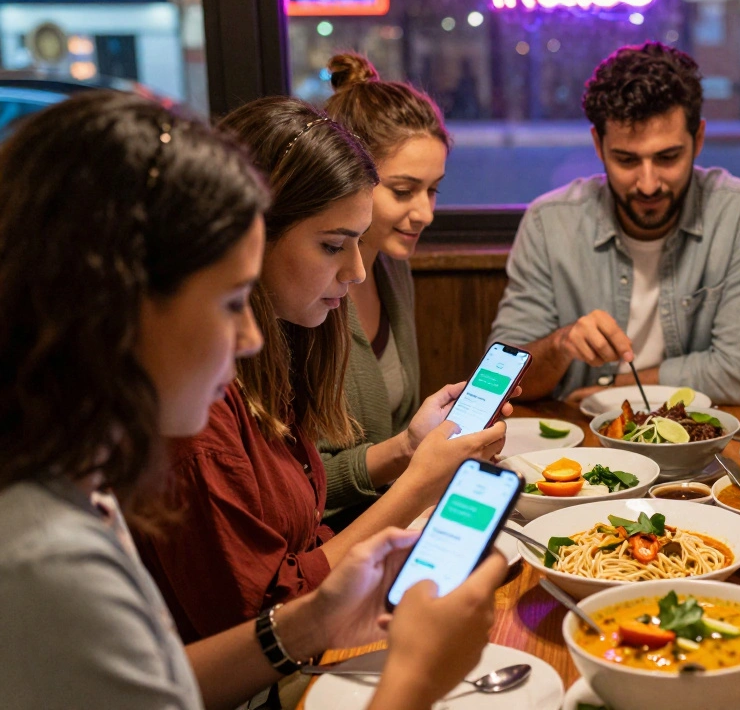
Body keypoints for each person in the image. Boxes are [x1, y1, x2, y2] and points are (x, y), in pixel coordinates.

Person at [0, 91, 505, 710]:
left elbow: (166, 680)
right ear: (116, 305)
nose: (250, 336)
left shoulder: (80, 487)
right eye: (230, 301)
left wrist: (316, 618)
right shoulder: (43, 557)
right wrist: (414, 680)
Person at [132, 96, 511, 643]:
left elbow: (301, 539)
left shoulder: (293, 343)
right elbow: (264, 624)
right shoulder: (198, 405)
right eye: (334, 245)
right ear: (254, 239)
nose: (357, 271)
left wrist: (410, 450)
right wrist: (420, 480)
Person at [487, 42, 740, 405]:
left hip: (698, 437)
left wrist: (613, 391)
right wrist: (561, 344)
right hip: (578, 446)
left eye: (668, 157)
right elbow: (498, 381)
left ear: (699, 139)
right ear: (598, 145)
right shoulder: (549, 222)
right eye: (626, 160)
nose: (648, 183)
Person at [317, 53, 455, 529]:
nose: (425, 213)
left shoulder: (393, 268)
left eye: (433, 190)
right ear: (349, 178)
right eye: (403, 191)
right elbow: (304, 487)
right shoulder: (309, 293)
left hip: (392, 517)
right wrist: (409, 451)